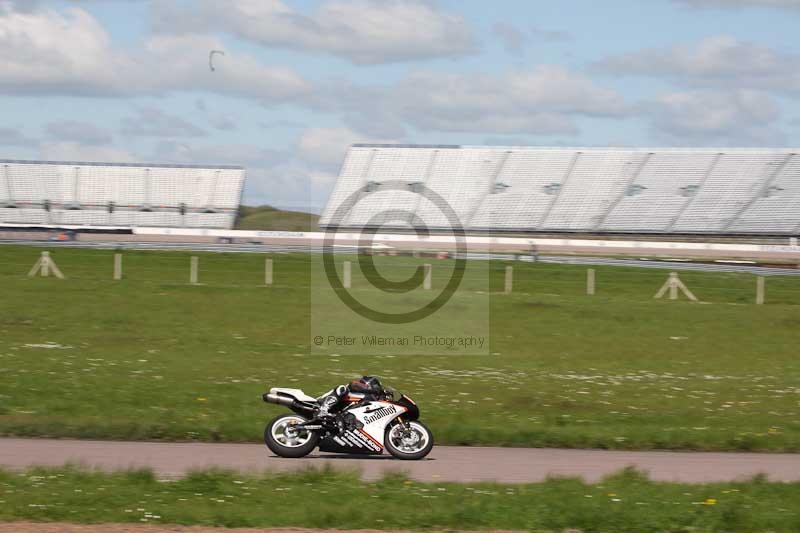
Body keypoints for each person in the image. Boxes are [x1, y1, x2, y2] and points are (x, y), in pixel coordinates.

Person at [315, 375, 384, 419]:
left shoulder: (367, 399)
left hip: (336, 416)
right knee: (342, 389)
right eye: (375, 386)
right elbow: (352, 385)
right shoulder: (352, 390)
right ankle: (324, 408)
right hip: (318, 404)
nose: (376, 389)